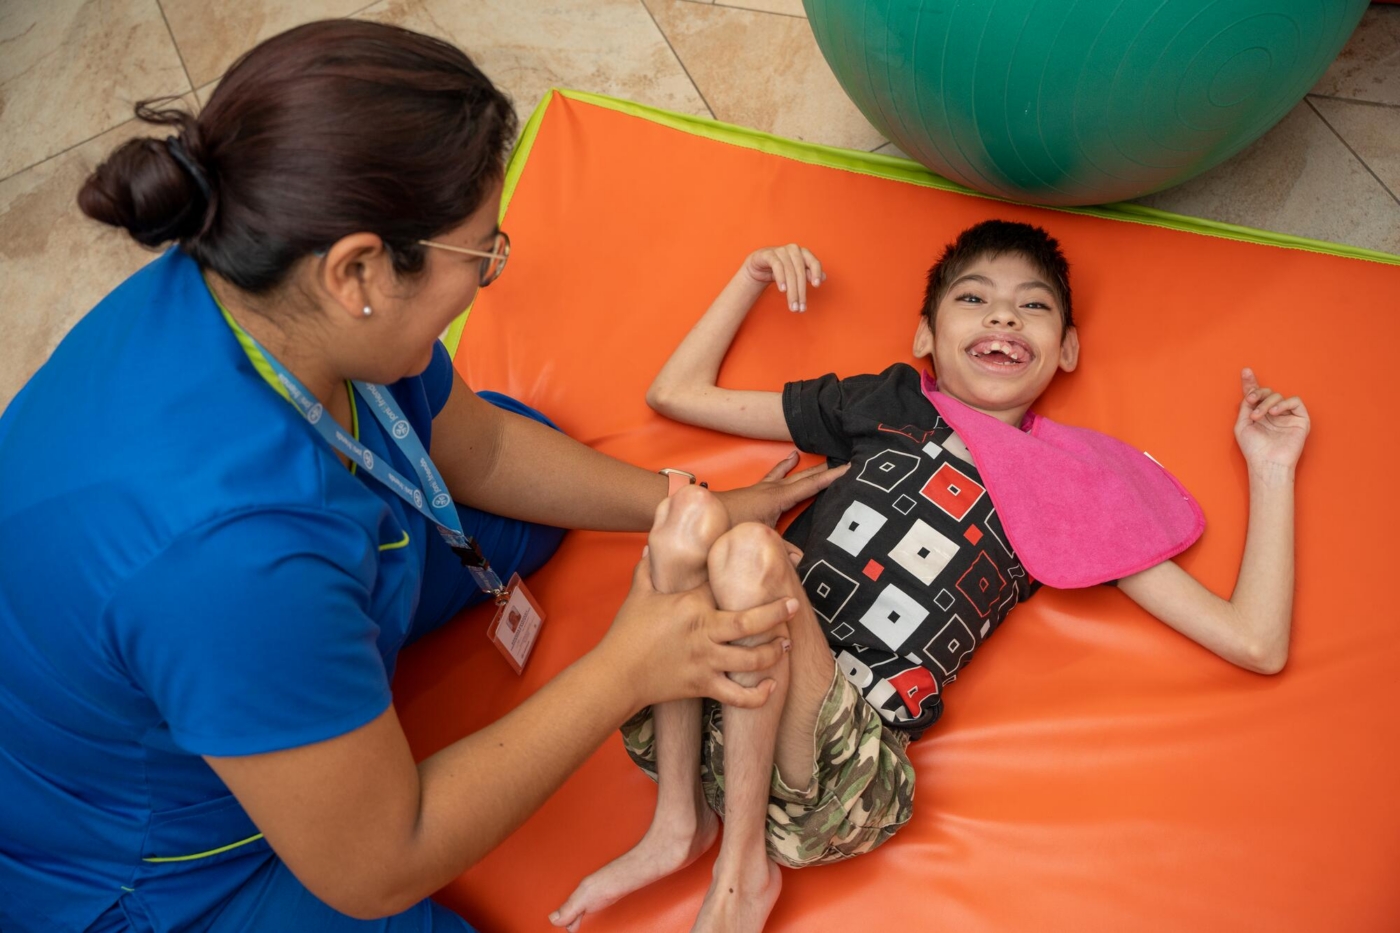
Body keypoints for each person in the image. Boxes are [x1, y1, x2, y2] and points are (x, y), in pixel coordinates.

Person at [0, 20, 843, 933]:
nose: (490, 275)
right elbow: (379, 862)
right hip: (157, 861)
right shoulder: (227, 557)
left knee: (538, 451)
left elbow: (476, 448)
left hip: (243, 609)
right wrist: (626, 669)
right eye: (482, 253)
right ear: (360, 270)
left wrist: (693, 502)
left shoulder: (277, 288)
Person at [551, 222, 1310, 933]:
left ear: (1067, 349)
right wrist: (749, 277)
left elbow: (1255, 640)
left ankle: (742, 868)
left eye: (1033, 308)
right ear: (925, 336)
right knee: (687, 519)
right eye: (974, 298)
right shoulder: (888, 401)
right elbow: (676, 392)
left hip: (839, 772)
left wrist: (1271, 468)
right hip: (700, 719)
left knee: (747, 551)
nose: (1004, 319)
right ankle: (678, 821)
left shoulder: (1072, 485)